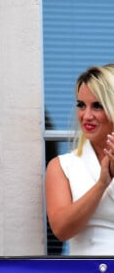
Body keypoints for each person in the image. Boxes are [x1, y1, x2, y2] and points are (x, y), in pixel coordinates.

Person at [45, 64, 114, 255]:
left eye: (97, 105)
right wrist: (101, 184)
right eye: (81, 105)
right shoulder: (63, 166)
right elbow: (61, 230)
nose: (86, 115)